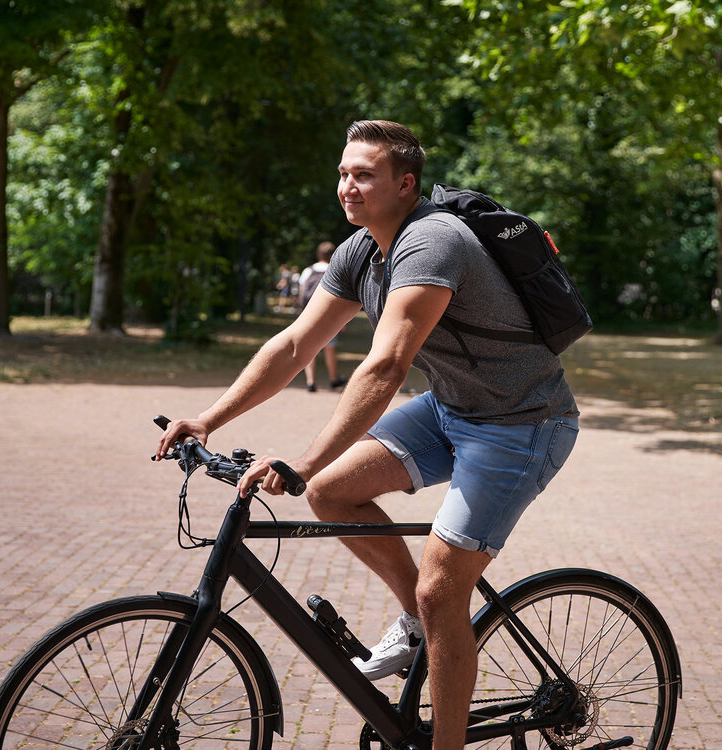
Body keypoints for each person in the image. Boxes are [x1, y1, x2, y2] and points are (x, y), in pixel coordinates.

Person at [155, 120, 579, 749]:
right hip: (451, 408)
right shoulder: (361, 251)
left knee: (443, 589)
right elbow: (298, 343)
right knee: (330, 494)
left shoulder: (433, 242)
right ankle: (421, 626)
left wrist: (301, 459)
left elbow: (384, 367)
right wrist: (210, 419)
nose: (347, 187)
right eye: (343, 174)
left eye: (363, 175)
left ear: (404, 183)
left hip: (522, 424)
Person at [297, 241, 347, 391]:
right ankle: (333, 379)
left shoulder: (308, 270)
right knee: (329, 349)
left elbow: (301, 294)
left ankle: (310, 382)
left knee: (309, 349)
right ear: (333, 254)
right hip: (330, 316)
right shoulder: (335, 269)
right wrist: (343, 320)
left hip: (309, 315)